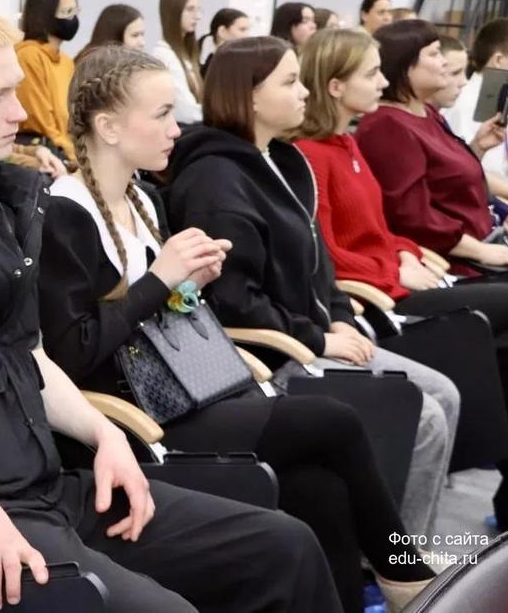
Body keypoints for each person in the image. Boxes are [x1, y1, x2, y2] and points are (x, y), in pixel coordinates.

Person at [0, 0, 340, 613]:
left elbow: (29, 356)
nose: (20, 111)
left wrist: (103, 432)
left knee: (284, 546)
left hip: (46, 489)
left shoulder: (0, 200)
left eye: (15, 89)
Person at [38, 44, 436, 611]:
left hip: (182, 394)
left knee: (319, 489)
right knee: (335, 420)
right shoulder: (65, 212)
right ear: (108, 127)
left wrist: (188, 282)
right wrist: (161, 278)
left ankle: (370, 592)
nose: (175, 129)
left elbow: (160, 309)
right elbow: (71, 352)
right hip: (134, 419)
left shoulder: (144, 199)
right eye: (161, 115)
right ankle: (407, 575)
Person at [165, 35, 460, 541]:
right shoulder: (216, 180)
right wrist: (319, 338)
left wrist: (340, 316)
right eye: (290, 82)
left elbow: (320, 262)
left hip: (316, 334)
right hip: (275, 354)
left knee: (445, 395)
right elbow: (234, 302)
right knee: (424, 417)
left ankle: (405, 549)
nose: (305, 92)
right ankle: (397, 558)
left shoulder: (283, 160)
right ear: (250, 96)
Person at [294, 26, 508, 532]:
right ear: (336, 86)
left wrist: (407, 253)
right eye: (371, 74)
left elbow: (382, 229)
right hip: (382, 298)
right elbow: (327, 252)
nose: (381, 82)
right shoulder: (317, 152)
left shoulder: (347, 144)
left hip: (402, 278)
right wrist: (394, 268)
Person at [356, 20, 508, 272]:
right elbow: (413, 219)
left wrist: (477, 147)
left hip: (478, 243)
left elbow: (446, 184)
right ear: (405, 66)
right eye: (434, 54)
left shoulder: (426, 112)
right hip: (449, 262)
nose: (443, 62)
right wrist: (483, 251)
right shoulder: (387, 126)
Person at [443, 18, 508, 199]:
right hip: (486, 198)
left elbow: (504, 160)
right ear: (499, 60)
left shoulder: (496, 97)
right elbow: (471, 169)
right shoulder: (467, 103)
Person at [15, 0, 80, 162]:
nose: (73, 19)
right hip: (44, 154)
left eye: (75, 11)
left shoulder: (66, 62)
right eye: (67, 12)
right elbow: (41, 122)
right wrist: (77, 158)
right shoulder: (29, 56)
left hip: (67, 152)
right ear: (45, 15)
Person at [152, 0, 204, 125]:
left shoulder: (187, 54)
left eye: (198, 10)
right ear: (173, 12)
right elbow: (186, 111)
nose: (197, 16)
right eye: (190, 9)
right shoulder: (164, 55)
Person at [75, 4, 145, 62]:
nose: (142, 43)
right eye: (135, 35)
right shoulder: (94, 66)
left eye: (142, 34)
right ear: (114, 36)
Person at [198, 7, 250, 76]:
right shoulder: (196, 54)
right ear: (222, 31)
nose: (247, 35)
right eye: (242, 29)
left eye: (247, 30)